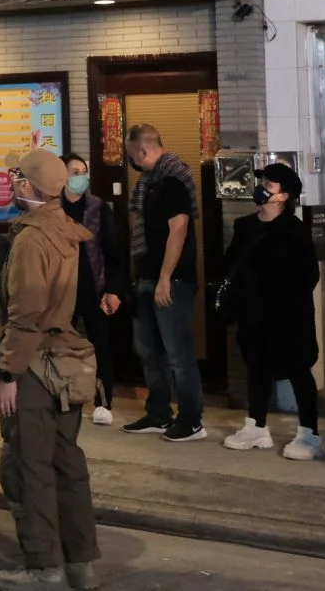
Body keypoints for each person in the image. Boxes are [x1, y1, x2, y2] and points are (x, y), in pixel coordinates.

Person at [0, 149, 100, 590]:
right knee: (66, 467)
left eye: (17, 175)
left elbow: (24, 316)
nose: (12, 180)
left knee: (27, 469)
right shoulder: (60, 227)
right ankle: (79, 563)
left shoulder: (31, 240)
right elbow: (0, 256)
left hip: (35, 368)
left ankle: (43, 567)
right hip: (64, 366)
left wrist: (7, 375)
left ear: (28, 187)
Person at [220, 162, 323, 460]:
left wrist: (285, 301)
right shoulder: (245, 226)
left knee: (298, 371)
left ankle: (310, 434)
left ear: (283, 196)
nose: (261, 188)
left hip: (288, 317)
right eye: (261, 181)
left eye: (269, 185)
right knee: (257, 368)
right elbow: (231, 265)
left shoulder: (294, 230)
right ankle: (256, 427)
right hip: (253, 314)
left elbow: (308, 275)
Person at [122, 124, 205, 442]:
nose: (130, 161)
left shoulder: (172, 180)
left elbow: (178, 229)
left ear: (141, 151)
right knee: (149, 351)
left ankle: (191, 419)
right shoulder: (149, 183)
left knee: (178, 354)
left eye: (130, 155)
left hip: (171, 280)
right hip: (147, 276)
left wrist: (166, 277)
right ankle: (158, 413)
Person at [62, 153, 126, 426]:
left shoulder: (98, 208)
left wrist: (113, 289)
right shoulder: (52, 209)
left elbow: (114, 253)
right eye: (75, 172)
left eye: (83, 172)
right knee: (61, 346)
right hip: (62, 290)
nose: (81, 177)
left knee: (101, 345)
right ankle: (64, 395)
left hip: (94, 287)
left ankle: (103, 401)